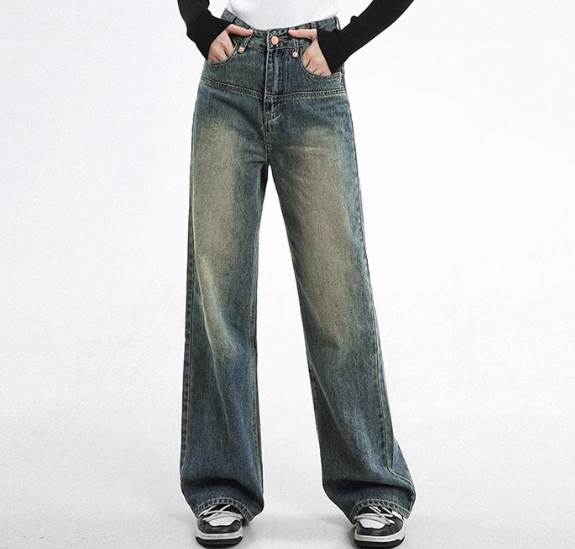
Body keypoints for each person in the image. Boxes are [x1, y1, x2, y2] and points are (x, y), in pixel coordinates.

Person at [176, 1, 417, 547]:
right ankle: (222, 484)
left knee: (338, 296)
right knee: (219, 295)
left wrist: (344, 42)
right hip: (229, 74)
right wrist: (197, 21)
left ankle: (373, 484)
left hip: (313, 76)